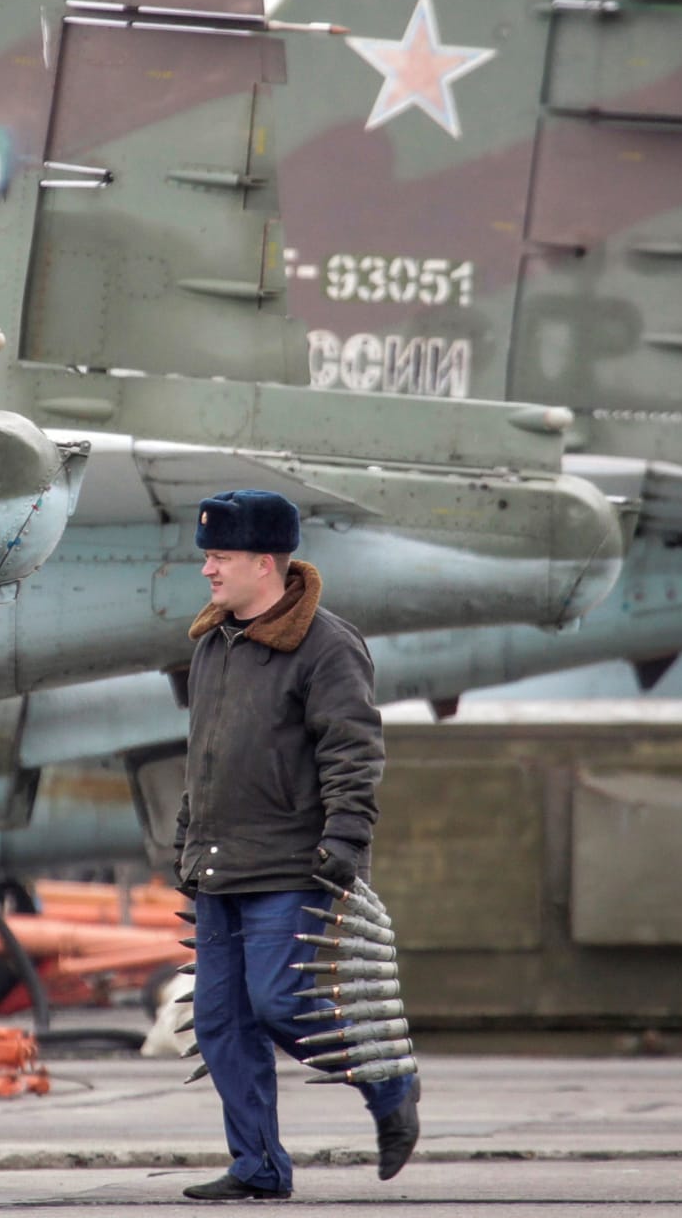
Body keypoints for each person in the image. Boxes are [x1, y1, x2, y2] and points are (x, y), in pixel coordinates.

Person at [172, 489, 419, 1202]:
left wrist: (345, 838)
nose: (208, 571)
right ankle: (258, 1168)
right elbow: (207, 755)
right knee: (220, 1026)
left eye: (219, 557)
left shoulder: (328, 645)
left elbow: (353, 751)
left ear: (266, 563)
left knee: (282, 1003)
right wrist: (187, 836)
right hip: (219, 865)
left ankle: (390, 1082)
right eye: (208, 557)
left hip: (294, 861)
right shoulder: (213, 644)